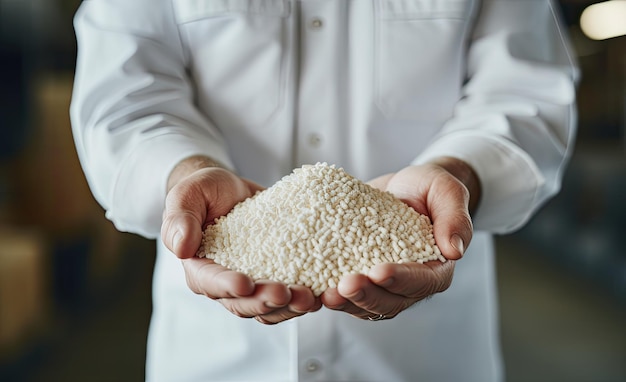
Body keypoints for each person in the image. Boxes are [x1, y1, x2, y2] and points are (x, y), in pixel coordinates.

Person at [70, 0, 578, 380]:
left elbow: (525, 92)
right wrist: (187, 175)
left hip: (423, 354)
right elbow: (123, 98)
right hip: (218, 354)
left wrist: (458, 174)